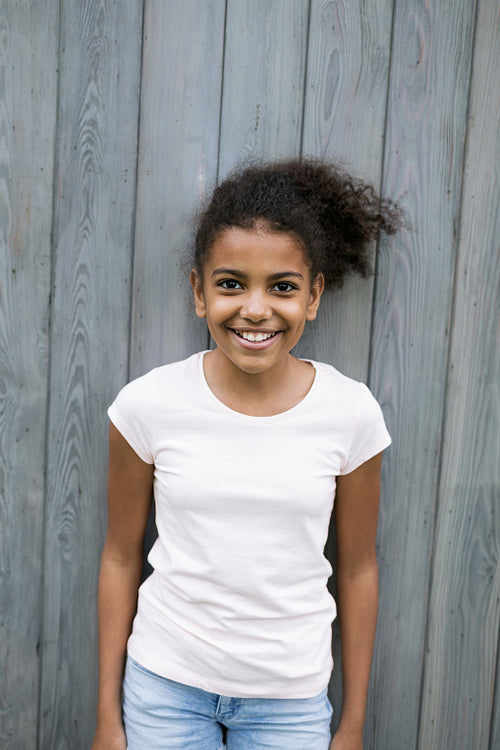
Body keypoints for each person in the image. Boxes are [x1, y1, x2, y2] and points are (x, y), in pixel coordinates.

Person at [91, 159, 401, 750]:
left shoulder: (351, 413)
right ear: (198, 292)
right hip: (163, 689)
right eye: (231, 283)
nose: (255, 309)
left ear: (313, 296)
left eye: (282, 287)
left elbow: (359, 570)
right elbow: (119, 558)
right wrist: (108, 716)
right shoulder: (147, 405)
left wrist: (353, 723)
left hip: (289, 700)